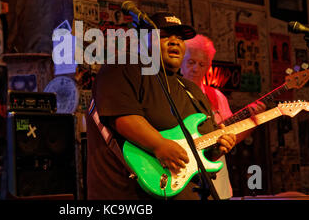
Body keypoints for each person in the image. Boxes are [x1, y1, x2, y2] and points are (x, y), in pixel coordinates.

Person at [86, 12, 236, 200]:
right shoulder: (123, 67)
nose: (175, 42)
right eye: (164, 35)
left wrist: (219, 147)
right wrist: (159, 144)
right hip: (131, 195)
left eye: (180, 38)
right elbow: (121, 116)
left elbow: (202, 150)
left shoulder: (191, 90)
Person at [180, 34, 266, 199]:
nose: (196, 68)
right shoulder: (171, 93)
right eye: (191, 62)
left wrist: (253, 123)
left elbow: (231, 135)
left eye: (202, 64)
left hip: (216, 179)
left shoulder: (216, 97)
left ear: (208, 67)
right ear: (182, 63)